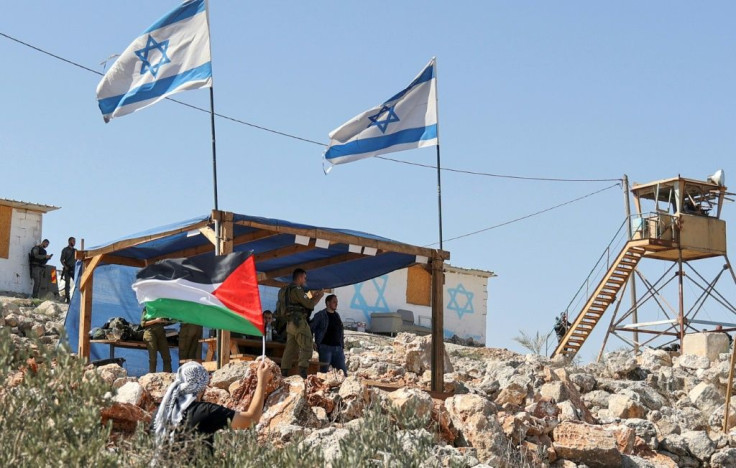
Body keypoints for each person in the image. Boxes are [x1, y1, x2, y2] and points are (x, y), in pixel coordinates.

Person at [152, 360, 272, 449]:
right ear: (202, 387)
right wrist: (262, 381)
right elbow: (251, 419)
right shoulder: (206, 412)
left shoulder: (159, 414)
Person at [280, 268, 324, 378]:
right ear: (299, 277)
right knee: (307, 346)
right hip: (299, 322)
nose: (305, 280)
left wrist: (310, 295)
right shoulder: (298, 289)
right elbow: (309, 305)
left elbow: (300, 299)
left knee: (290, 348)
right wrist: (319, 296)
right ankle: (303, 372)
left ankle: (284, 372)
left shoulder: (285, 290)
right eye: (304, 277)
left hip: (290, 323)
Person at [311, 294, 348, 376]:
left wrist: (341, 346)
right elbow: (310, 328)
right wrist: (312, 342)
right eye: (334, 302)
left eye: (337, 302)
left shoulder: (337, 315)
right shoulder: (320, 315)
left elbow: (340, 331)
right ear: (328, 303)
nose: (336, 304)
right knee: (323, 373)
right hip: (325, 348)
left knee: (343, 374)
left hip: (338, 349)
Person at [141, 307, 173, 373]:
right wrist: (156, 320)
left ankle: (167, 376)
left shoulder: (162, 307)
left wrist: (165, 321)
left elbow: (167, 321)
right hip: (150, 333)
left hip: (161, 333)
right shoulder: (148, 308)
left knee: (167, 357)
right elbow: (143, 323)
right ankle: (151, 377)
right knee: (153, 358)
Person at [60, 237, 76, 303]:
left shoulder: (76, 250)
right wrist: (65, 266)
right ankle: (68, 298)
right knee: (67, 284)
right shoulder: (65, 250)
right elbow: (61, 260)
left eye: (75, 241)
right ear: (69, 241)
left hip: (74, 268)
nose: (74, 242)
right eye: (73, 241)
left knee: (77, 283)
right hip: (67, 268)